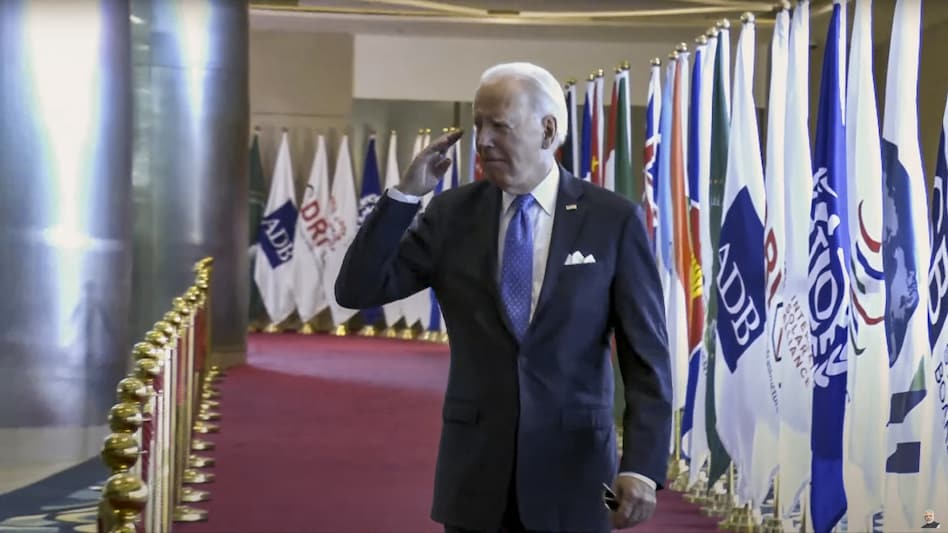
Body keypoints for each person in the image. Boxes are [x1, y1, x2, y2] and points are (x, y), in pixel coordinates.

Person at [335, 61, 672, 532]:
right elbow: (357, 289)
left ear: (548, 129)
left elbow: (646, 357)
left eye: (499, 125)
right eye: (477, 124)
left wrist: (641, 466)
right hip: (474, 478)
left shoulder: (612, 220)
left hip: (575, 475)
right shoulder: (452, 214)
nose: (483, 139)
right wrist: (405, 197)